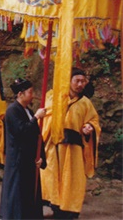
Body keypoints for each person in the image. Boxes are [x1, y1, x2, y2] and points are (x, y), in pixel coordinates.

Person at [42, 68, 101, 219]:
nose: (80, 84)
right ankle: (55, 206)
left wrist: (90, 127)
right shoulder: (55, 98)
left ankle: (69, 210)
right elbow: (45, 115)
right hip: (55, 145)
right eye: (77, 81)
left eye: (83, 81)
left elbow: (94, 121)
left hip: (75, 148)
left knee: (72, 180)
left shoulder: (85, 103)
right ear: (69, 81)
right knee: (53, 177)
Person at [0, 78, 46, 219]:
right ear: (20, 94)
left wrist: (40, 156)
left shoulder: (28, 111)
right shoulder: (12, 111)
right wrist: (36, 117)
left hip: (29, 158)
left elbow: (37, 135)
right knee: (16, 193)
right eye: (30, 92)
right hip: (18, 159)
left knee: (30, 192)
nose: (32, 95)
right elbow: (22, 132)